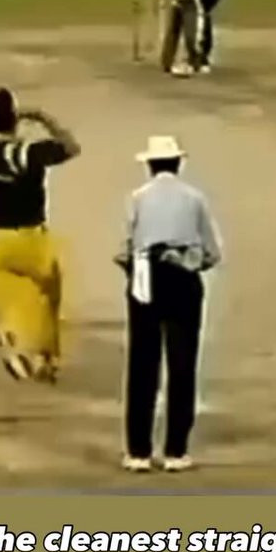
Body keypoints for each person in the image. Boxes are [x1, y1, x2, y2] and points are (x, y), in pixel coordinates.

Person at [115, 135, 222, 471]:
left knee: (142, 363)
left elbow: (123, 249)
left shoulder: (136, 198)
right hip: (183, 277)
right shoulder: (195, 198)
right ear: (179, 164)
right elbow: (212, 253)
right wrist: (190, 262)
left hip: (146, 275)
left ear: (149, 165)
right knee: (182, 364)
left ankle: (138, 451)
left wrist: (135, 270)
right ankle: (176, 451)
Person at [0, 87, 80, 382]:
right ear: (14, 117)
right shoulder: (28, 154)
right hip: (29, 237)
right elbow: (71, 147)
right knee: (48, 294)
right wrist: (42, 118)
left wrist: (7, 118)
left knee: (12, 295)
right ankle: (44, 356)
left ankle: (12, 336)